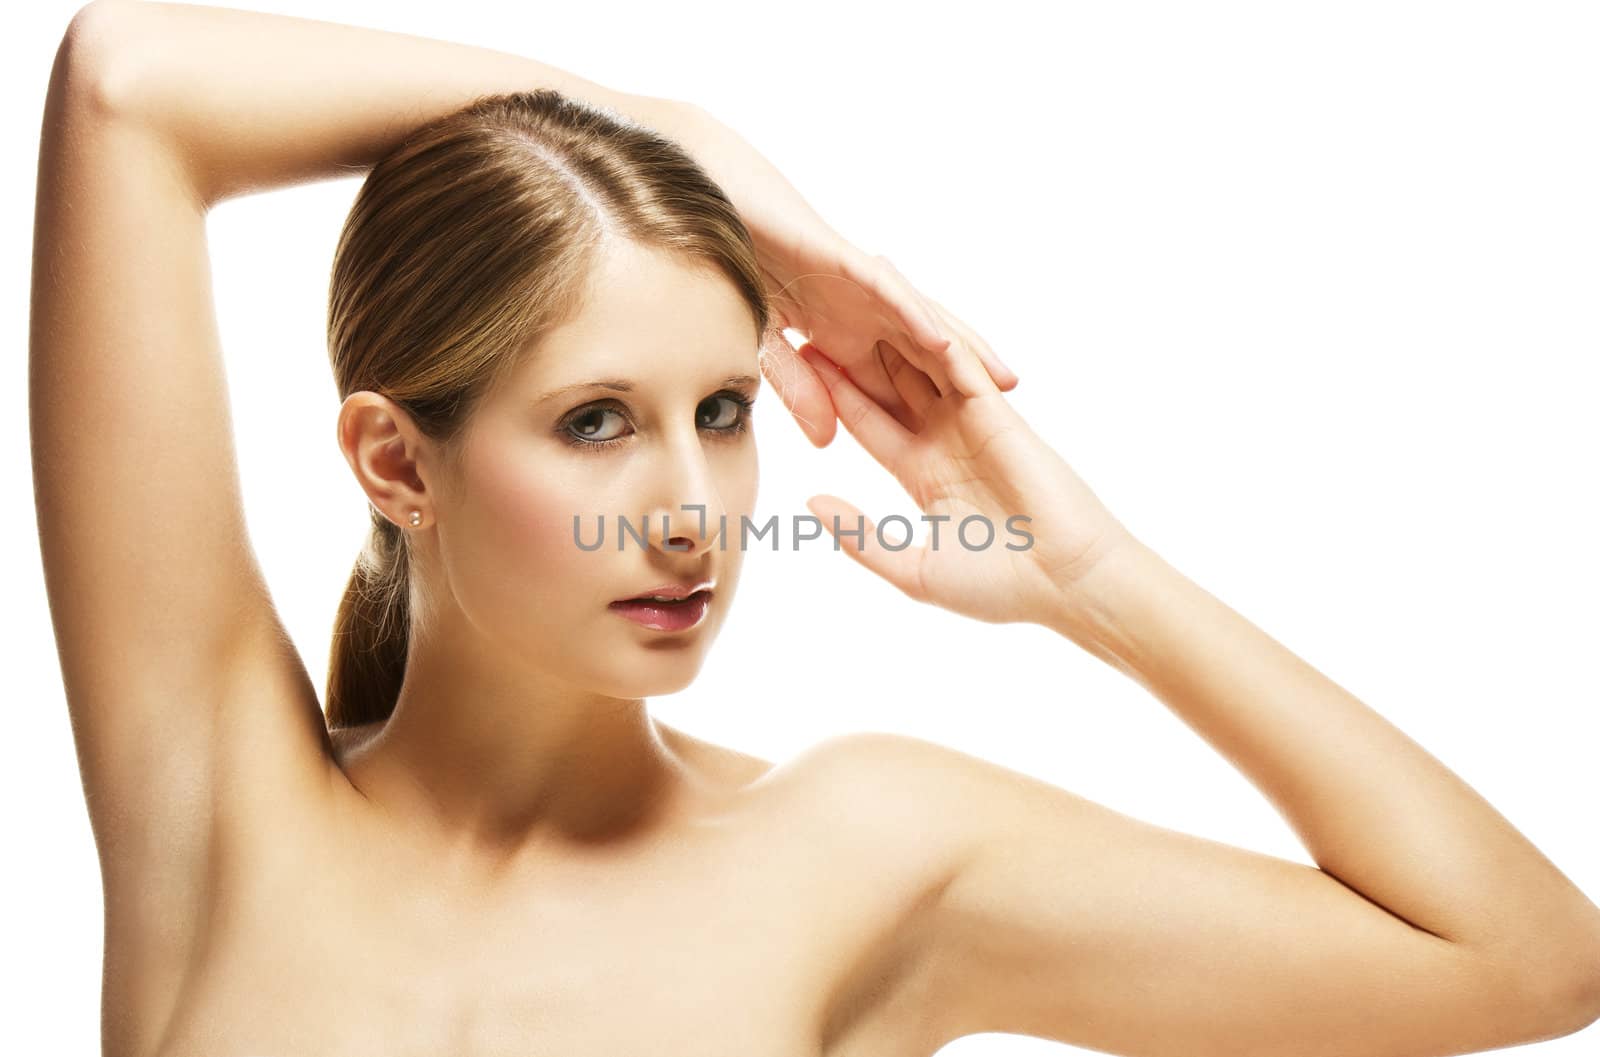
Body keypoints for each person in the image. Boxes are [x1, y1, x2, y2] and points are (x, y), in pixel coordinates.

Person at [28, 2, 1600, 1056]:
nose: (693, 509)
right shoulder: (218, 800)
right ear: (396, 459)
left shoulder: (858, 853)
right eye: (596, 422)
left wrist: (1092, 582)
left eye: (723, 410)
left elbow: (1527, 953)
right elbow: (123, 87)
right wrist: (645, 121)